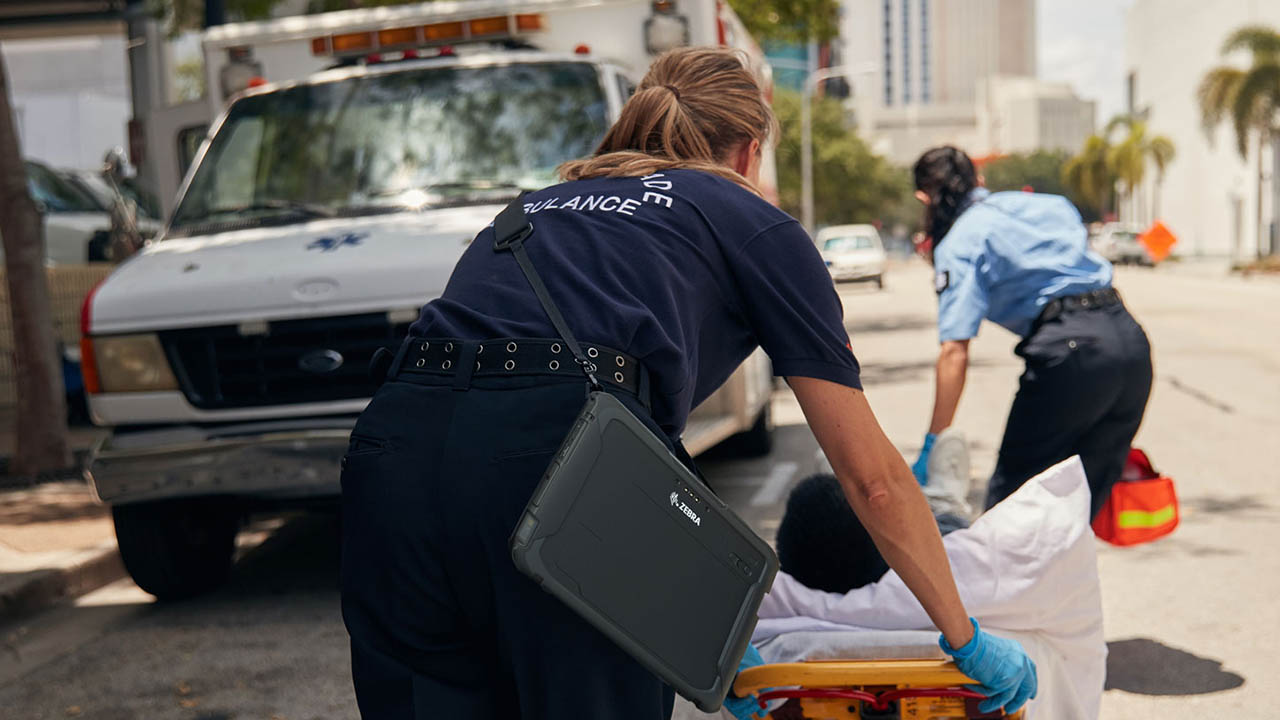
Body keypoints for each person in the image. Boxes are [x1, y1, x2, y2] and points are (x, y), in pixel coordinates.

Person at [339, 49, 1035, 720]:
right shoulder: (750, 220)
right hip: (546, 469)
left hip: (392, 458)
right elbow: (872, 480)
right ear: (748, 150)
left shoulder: (531, 210)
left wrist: (708, 633)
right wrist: (962, 634)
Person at [756, 457, 1105, 719]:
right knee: (944, 528)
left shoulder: (760, 645)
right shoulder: (985, 613)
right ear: (890, 562)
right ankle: (941, 502)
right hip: (913, 561)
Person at [908, 146, 1153, 517]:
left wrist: (934, 441)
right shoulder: (1052, 205)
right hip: (1130, 343)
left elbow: (954, 350)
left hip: (1073, 353)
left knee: (1011, 512)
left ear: (924, 197)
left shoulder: (962, 241)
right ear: (979, 181)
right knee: (1078, 512)